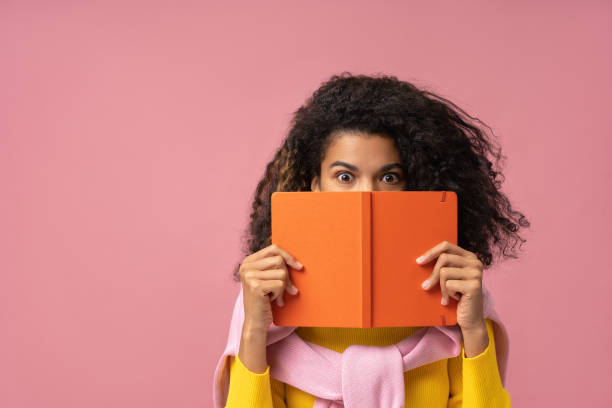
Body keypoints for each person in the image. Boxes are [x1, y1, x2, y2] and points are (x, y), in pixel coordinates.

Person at [219, 72, 529, 407]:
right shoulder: (268, 295)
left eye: (389, 177)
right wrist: (252, 332)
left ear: (414, 185)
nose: (366, 194)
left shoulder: (453, 291)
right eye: (345, 176)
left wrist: (474, 331)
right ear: (315, 186)